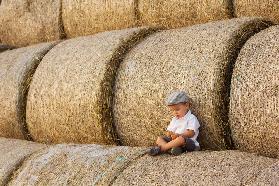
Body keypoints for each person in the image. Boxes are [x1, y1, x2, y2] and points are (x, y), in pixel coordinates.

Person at [148, 91, 200, 156]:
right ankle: (172, 149)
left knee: (180, 139)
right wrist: (170, 134)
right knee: (159, 138)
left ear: (187, 105)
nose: (175, 112)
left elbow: (191, 133)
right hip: (175, 141)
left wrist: (178, 135)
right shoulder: (174, 119)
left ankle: (162, 148)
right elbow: (169, 132)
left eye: (177, 109)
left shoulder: (191, 118)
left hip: (188, 142)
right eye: (172, 110)